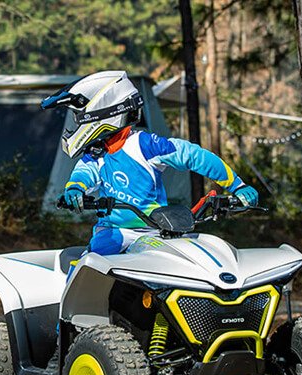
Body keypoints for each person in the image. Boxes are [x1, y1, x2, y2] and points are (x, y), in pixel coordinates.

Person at [41, 70, 259, 260]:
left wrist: (237, 186)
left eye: (80, 117)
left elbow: (195, 156)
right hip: (114, 232)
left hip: (157, 232)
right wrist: (75, 189)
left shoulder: (143, 144)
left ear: (102, 112)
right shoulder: (96, 153)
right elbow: (83, 174)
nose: (78, 123)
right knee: (89, 267)